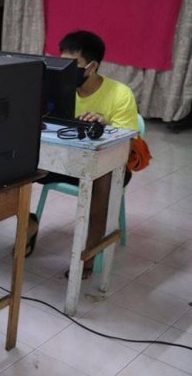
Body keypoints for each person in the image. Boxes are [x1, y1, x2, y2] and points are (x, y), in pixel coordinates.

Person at [35, 30, 139, 274]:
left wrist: (104, 124)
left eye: (73, 65)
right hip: (63, 160)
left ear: (92, 67)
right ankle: (27, 224)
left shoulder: (120, 94)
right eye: (61, 62)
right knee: (16, 164)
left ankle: (89, 253)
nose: (65, 70)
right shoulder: (58, 88)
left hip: (108, 165)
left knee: (101, 179)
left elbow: (128, 144)